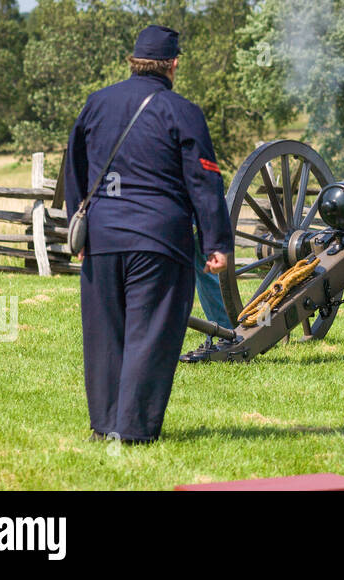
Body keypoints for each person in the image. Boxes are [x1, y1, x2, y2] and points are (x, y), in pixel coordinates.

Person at [64, 25, 233, 443]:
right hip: (159, 240)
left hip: (102, 236)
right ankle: (134, 431)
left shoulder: (97, 103)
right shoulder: (182, 111)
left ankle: (104, 428)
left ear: (133, 61)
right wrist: (216, 242)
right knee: (151, 333)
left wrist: (79, 232)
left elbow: (74, 169)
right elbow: (204, 180)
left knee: (105, 333)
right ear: (173, 64)